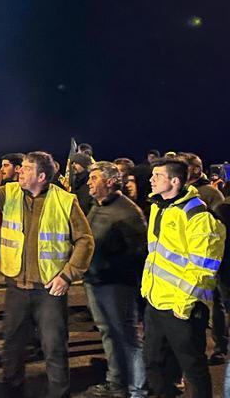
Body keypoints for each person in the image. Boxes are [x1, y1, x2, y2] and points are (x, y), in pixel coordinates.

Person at [0, 151, 94, 398]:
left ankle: (58, 394)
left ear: (42, 176)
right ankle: (12, 392)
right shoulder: (10, 192)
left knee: (54, 348)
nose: (20, 171)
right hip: (17, 287)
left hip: (49, 290)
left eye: (26, 168)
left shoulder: (65, 200)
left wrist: (67, 276)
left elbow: (85, 241)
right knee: (12, 347)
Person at [141, 158, 226, 398]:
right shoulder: (159, 206)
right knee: (154, 363)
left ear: (175, 181)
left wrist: (182, 306)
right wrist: (149, 293)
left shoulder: (198, 216)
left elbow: (203, 268)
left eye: (157, 175)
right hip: (156, 301)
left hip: (182, 308)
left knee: (193, 369)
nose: (151, 179)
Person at [82, 162, 148, 398]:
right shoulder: (97, 206)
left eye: (94, 177)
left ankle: (137, 389)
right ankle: (116, 381)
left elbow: (139, 254)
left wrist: (109, 267)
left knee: (127, 336)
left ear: (110, 182)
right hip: (95, 281)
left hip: (116, 285)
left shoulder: (127, 212)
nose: (89, 182)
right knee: (108, 332)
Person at [179, 153, 229, 363]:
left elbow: (220, 227)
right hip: (192, 259)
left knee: (220, 304)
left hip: (215, 261)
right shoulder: (185, 193)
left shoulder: (209, 194)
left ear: (196, 170)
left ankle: (221, 347)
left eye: (183, 167)